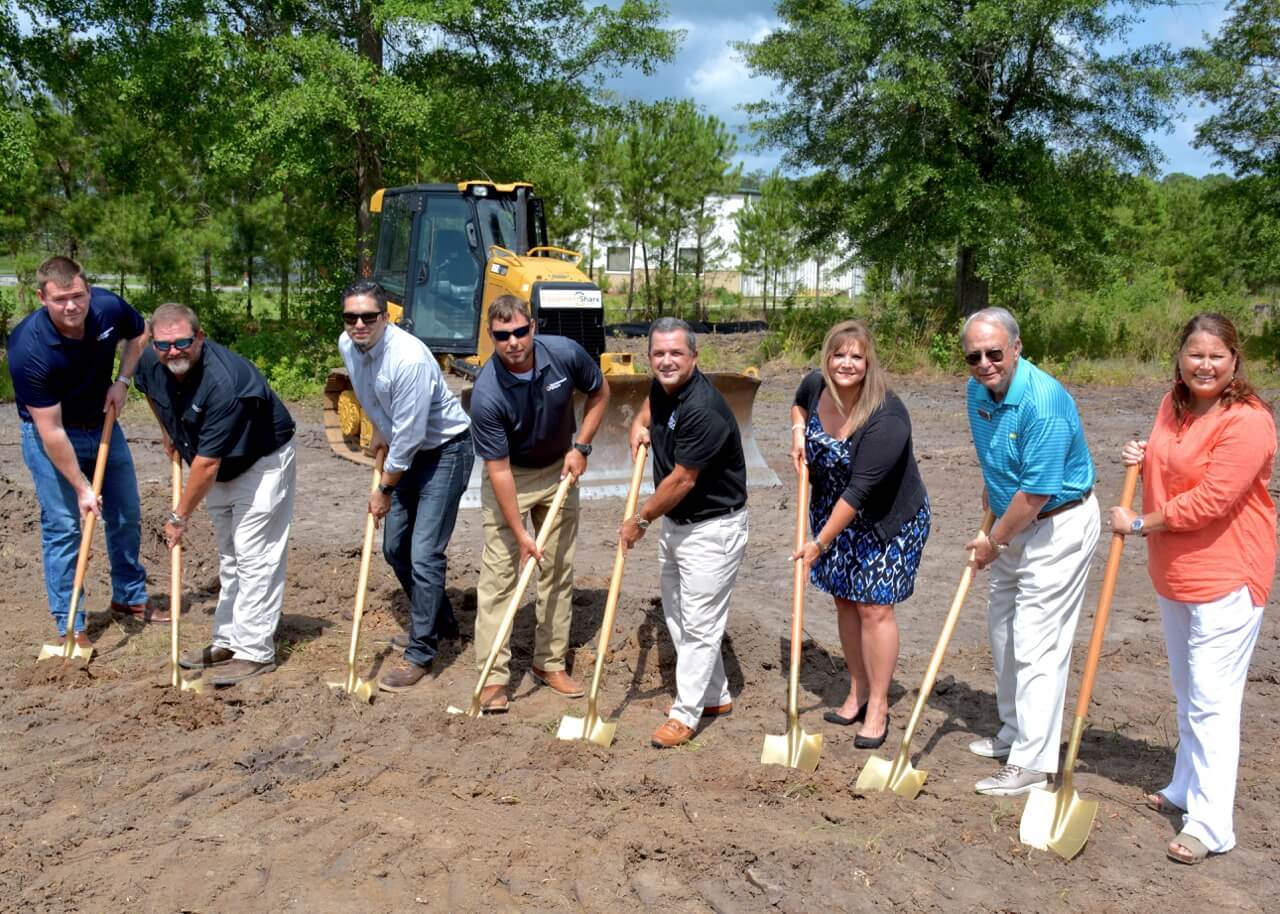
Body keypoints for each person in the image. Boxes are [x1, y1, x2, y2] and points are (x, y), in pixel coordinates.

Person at [1109, 313, 1275, 865]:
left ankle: (1211, 823)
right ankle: (1184, 787)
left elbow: (1211, 500)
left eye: (1216, 356)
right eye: (1195, 354)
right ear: (1179, 356)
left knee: (1212, 702)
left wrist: (1137, 524)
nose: (1204, 365)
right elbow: (1169, 459)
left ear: (1235, 361)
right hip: (1176, 573)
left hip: (1228, 574)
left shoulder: (1248, 420)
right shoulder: (1172, 404)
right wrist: (1144, 454)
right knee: (1190, 691)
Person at [962, 307, 1100, 796]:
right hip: (1011, 520)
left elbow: (1037, 493)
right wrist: (991, 486)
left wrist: (993, 543)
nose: (984, 363)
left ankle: (1033, 764)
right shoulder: (977, 390)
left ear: (1017, 348)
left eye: (994, 353)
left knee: (1039, 640)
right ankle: (1014, 731)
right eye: (974, 355)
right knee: (1004, 632)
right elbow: (994, 451)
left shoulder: (1044, 401)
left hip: (1056, 524)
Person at [134, 303, 297, 687]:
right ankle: (227, 640)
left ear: (200, 338)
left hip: (261, 461)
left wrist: (178, 518)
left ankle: (255, 651)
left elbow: (206, 466)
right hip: (217, 461)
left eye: (183, 342)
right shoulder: (148, 361)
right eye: (164, 345)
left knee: (254, 554)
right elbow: (152, 394)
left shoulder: (225, 383)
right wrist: (168, 431)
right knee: (230, 553)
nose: (173, 351)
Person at [7, 256, 160, 651]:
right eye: (60, 300)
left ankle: (128, 595)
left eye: (78, 295)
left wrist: (123, 381)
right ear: (43, 298)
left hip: (103, 422)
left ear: (88, 290)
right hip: (53, 439)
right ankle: (70, 623)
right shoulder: (29, 348)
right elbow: (50, 430)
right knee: (64, 527)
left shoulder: (107, 308)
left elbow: (139, 333)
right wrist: (81, 489)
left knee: (126, 514)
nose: (72, 306)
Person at [790, 320, 930, 749]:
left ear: (868, 363)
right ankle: (857, 690)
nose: (846, 364)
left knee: (874, 608)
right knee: (845, 602)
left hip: (885, 520)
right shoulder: (816, 386)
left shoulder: (887, 416)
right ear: (827, 358)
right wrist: (798, 432)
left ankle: (880, 705)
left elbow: (860, 491)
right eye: (838, 354)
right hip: (832, 515)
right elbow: (797, 405)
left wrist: (819, 543)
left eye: (856, 356)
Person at [469, 295, 610, 711]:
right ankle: (493, 676)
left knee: (557, 569)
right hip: (512, 474)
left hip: (559, 470)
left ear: (532, 327)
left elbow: (601, 394)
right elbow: (499, 472)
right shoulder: (487, 393)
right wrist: (519, 533)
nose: (513, 342)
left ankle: (548, 663)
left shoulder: (564, 354)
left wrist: (581, 446)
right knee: (499, 577)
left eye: (519, 331)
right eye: (502, 336)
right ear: (492, 338)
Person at [338, 279, 474, 692]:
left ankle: (421, 653)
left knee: (424, 554)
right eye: (350, 317)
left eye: (368, 316)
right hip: (403, 449)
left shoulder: (409, 359)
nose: (359, 324)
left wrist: (383, 488)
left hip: (444, 452)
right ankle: (437, 622)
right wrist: (379, 426)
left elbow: (412, 437)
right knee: (395, 548)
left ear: (385, 316)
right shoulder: (349, 346)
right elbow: (371, 394)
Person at [621, 317, 749, 749]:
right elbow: (651, 404)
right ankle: (714, 696)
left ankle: (686, 713)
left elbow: (681, 481)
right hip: (679, 524)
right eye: (658, 354)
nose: (667, 361)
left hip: (712, 528)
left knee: (699, 624)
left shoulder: (703, 409)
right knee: (678, 615)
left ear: (694, 356)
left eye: (676, 353)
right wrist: (640, 423)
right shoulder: (665, 386)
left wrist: (639, 520)